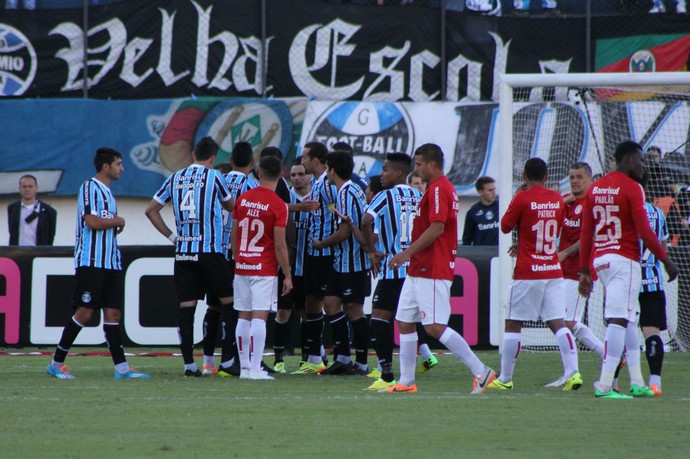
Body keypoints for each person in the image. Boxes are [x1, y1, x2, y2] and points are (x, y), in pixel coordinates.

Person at [386, 144, 496, 394]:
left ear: (432, 165)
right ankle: (406, 382)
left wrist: (406, 253)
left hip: (432, 267)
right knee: (404, 321)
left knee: (434, 326)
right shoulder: (438, 189)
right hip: (419, 268)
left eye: (420, 164)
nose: (417, 169)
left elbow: (437, 228)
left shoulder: (439, 189)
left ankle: (481, 371)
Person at [579, 140, 678, 399]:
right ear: (626, 160)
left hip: (601, 261)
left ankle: (636, 381)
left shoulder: (596, 187)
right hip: (625, 259)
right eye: (640, 160)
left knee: (628, 318)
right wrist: (666, 260)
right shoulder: (633, 188)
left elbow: (586, 231)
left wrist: (584, 270)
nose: (643, 166)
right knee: (619, 320)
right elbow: (644, 230)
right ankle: (604, 385)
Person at [46, 148, 150, 380]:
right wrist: (118, 220)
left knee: (113, 315)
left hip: (111, 262)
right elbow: (91, 222)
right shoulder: (90, 187)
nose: (122, 168)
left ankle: (122, 369)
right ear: (106, 166)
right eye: (119, 164)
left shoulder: (108, 193)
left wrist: (114, 223)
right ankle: (56, 363)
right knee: (84, 314)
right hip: (92, 262)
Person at [488, 158, 581, 392]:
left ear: (524, 177)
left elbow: (505, 226)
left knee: (513, 323)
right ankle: (573, 372)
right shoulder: (557, 200)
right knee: (558, 322)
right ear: (547, 177)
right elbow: (552, 229)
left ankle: (506, 378)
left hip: (529, 271)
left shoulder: (523, 197)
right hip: (552, 268)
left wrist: (517, 197)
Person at [145, 137, 234, 377]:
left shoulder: (175, 177)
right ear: (212, 159)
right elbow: (230, 206)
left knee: (187, 308)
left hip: (184, 252)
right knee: (229, 302)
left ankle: (189, 365)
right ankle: (227, 361)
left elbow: (150, 210)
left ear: (193, 154)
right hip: (210, 250)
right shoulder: (215, 176)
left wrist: (173, 238)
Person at [357, 154, 423, 390]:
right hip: (415, 269)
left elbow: (366, 220)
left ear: (397, 173)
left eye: (385, 170)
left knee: (379, 318)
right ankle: (414, 368)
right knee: (409, 321)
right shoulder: (419, 195)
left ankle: (386, 375)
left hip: (393, 269)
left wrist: (372, 252)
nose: (382, 174)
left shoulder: (385, 196)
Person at [544, 162, 605, 388]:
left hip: (580, 270)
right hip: (563, 271)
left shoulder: (591, 204)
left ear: (590, 180)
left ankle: (572, 372)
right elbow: (548, 212)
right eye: (571, 177)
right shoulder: (568, 203)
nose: (575, 181)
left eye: (579, 177)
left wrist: (564, 254)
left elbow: (588, 238)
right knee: (569, 323)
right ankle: (609, 357)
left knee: (566, 322)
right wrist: (564, 200)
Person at [232, 156, 292, 380]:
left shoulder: (243, 199)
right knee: (259, 318)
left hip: (242, 265)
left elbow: (234, 236)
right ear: (281, 174)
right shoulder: (278, 205)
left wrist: (239, 259)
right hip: (264, 267)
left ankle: (245, 368)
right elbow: (280, 245)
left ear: (258, 172)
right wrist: (287, 275)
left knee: (243, 317)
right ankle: (256, 368)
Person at [312, 151, 372, 375]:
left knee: (354, 310)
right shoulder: (351, 188)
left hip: (352, 262)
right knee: (330, 303)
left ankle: (362, 363)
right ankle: (344, 358)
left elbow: (345, 231)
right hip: (341, 261)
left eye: (328, 169)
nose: (326, 173)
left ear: (333, 170)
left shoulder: (346, 192)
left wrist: (321, 244)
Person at [202, 142, 258, 377]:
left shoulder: (220, 179)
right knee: (236, 306)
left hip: (216, 251)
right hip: (239, 254)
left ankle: (207, 361)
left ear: (232, 160)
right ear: (253, 163)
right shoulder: (252, 186)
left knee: (214, 306)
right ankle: (230, 359)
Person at [292, 141, 334, 374]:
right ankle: (316, 358)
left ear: (315, 161)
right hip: (314, 253)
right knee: (312, 305)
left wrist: (325, 242)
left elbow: (337, 215)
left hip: (324, 253)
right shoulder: (319, 183)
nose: (303, 160)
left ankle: (322, 358)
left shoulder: (328, 184)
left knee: (325, 305)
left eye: (305, 158)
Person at [272, 158, 312, 373]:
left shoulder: (317, 195)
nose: (297, 178)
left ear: (309, 175)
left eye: (300, 174)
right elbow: (276, 207)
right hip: (286, 265)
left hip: (309, 264)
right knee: (283, 311)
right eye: (293, 174)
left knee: (308, 311)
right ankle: (279, 358)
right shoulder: (285, 195)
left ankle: (308, 358)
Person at [635, 171, 668, 396]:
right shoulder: (658, 214)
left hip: (627, 280)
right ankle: (655, 382)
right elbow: (662, 249)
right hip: (653, 281)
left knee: (620, 329)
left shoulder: (626, 213)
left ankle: (613, 381)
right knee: (652, 333)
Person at [8, 175, 57, 246]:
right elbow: (12, 232)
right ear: (19, 189)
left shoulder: (48, 211)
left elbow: (50, 237)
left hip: (39, 254)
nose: (27, 189)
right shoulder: (12, 208)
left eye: (30, 186)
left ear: (36, 188)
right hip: (18, 254)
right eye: (24, 187)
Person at [462, 176, 499, 246]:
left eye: (494, 189)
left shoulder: (502, 208)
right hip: (481, 255)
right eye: (490, 190)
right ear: (481, 192)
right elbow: (467, 240)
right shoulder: (472, 212)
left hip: (500, 254)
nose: (494, 192)